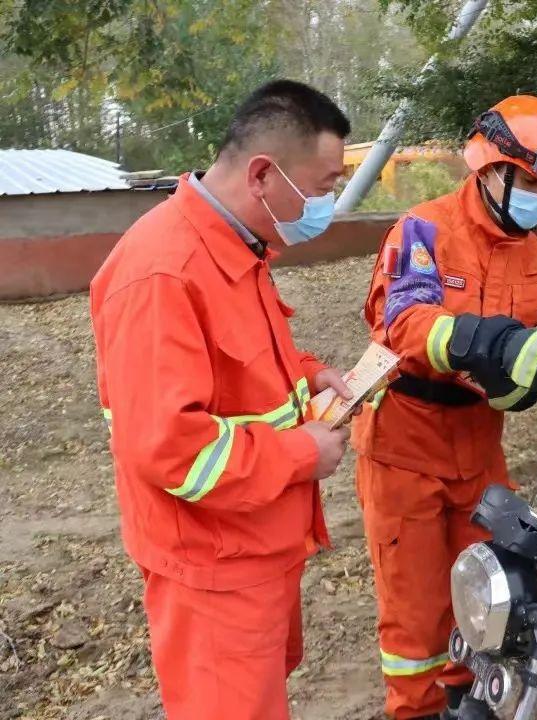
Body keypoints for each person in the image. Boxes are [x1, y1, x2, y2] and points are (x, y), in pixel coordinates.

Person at [90, 80, 354, 720]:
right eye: (323, 185)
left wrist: (310, 374)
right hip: (211, 570)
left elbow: (245, 365)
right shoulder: (163, 272)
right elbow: (171, 449)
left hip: (252, 548)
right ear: (264, 174)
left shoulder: (236, 245)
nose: (328, 202)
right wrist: (299, 454)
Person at [352, 95, 537, 719]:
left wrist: (523, 381)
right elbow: (403, 323)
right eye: (532, 180)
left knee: (489, 592)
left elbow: (510, 361)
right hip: (405, 445)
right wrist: (490, 339)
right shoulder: (423, 229)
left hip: (480, 446)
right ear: (491, 169)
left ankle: (468, 701)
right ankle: (417, 710)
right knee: (415, 613)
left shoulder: (536, 256)